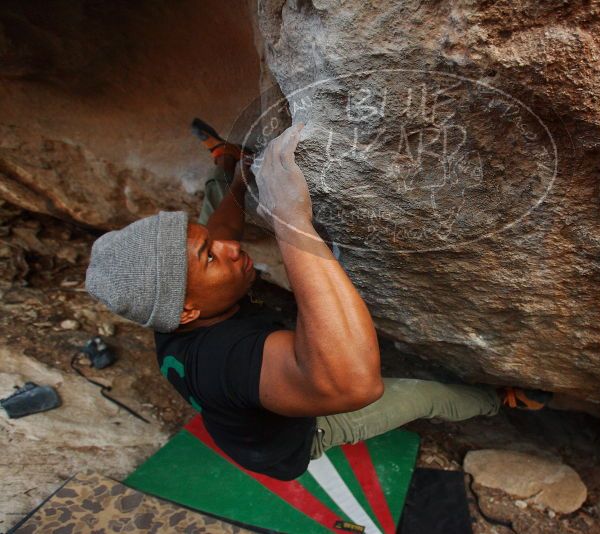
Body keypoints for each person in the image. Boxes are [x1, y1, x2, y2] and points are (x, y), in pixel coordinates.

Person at [84, 120, 550, 480]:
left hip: (241, 386)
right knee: (423, 396)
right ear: (186, 312)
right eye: (209, 258)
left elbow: (219, 234)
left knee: (213, 226)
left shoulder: (174, 305)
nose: (230, 249)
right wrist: (290, 219)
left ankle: (229, 168)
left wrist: (245, 185)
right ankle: (499, 398)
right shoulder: (225, 359)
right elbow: (353, 385)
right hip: (299, 438)